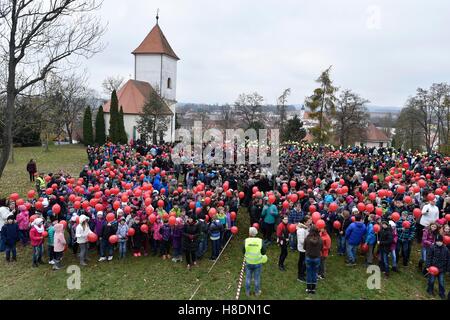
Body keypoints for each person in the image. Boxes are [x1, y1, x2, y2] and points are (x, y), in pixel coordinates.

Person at [243, 227, 267, 297]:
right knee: (257, 278)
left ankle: (247, 292)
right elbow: (263, 252)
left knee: (248, 278)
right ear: (256, 233)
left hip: (248, 262)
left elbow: (243, 251)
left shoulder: (246, 241)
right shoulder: (260, 241)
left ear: (249, 233)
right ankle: (257, 292)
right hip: (257, 263)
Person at [426, 234, 449, 299]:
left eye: (440, 241)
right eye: (437, 241)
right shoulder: (432, 247)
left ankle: (441, 293)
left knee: (441, 282)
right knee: (431, 280)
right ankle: (430, 290)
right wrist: (428, 266)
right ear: (435, 241)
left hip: (442, 269)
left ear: (442, 241)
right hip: (433, 268)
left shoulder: (446, 249)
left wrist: (447, 269)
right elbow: (429, 257)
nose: (439, 242)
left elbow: (448, 260)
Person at [304, 225, 323, 294]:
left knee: (309, 273)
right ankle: (313, 289)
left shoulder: (307, 239)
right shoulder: (320, 239)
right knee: (315, 273)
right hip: (317, 258)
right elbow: (321, 248)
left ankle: (308, 288)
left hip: (308, 257)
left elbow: (304, 248)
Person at [297, 215, 311, 282]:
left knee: (303, 262)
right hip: (303, 249)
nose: (310, 223)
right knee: (302, 262)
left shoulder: (306, 228)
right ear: (304, 222)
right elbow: (302, 241)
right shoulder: (301, 230)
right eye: (308, 222)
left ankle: (302, 273)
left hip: (305, 248)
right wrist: (310, 240)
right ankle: (300, 276)